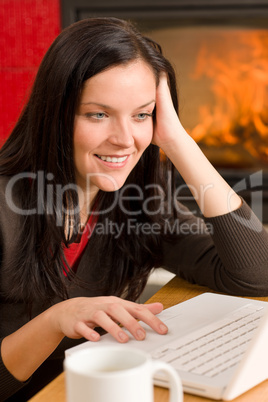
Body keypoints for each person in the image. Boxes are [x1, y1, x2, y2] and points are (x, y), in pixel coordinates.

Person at [0, 17, 268, 401]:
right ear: (55, 114)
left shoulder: (138, 203)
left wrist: (177, 141)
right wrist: (56, 320)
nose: (125, 139)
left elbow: (258, 274)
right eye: (98, 114)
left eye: (142, 115)